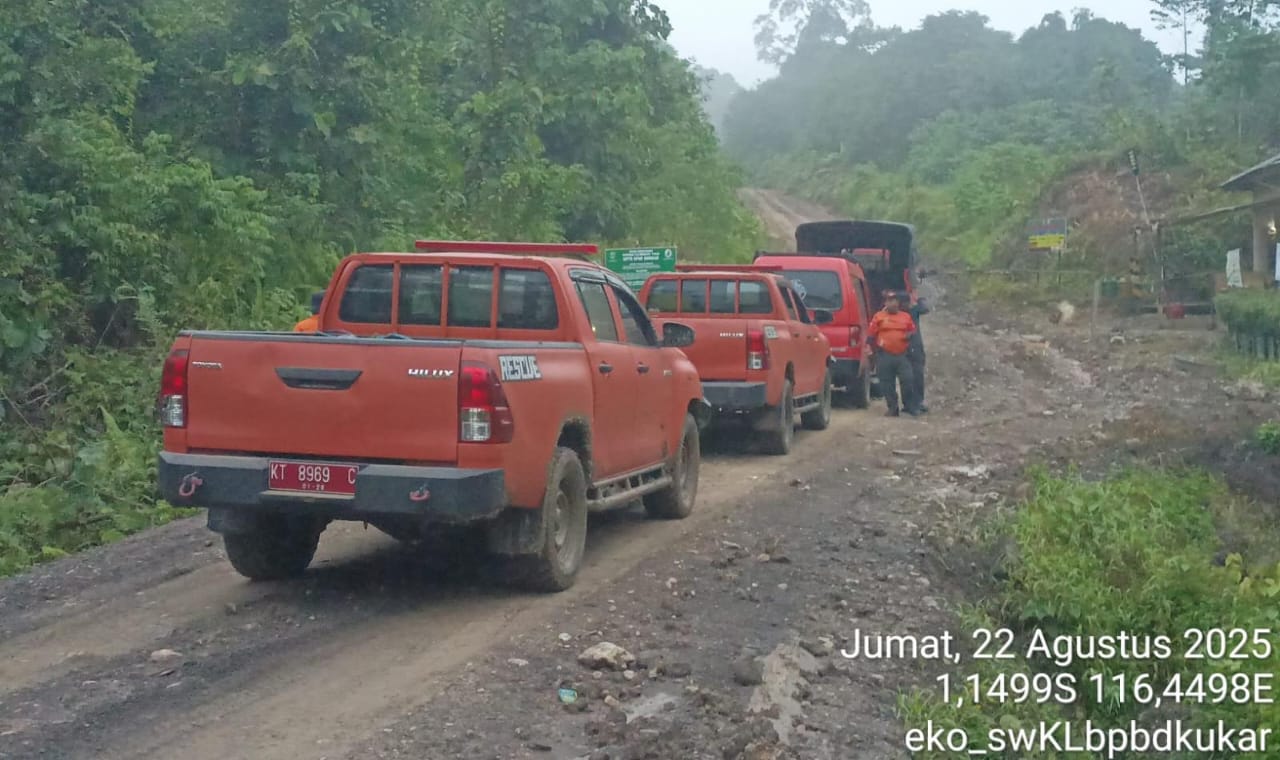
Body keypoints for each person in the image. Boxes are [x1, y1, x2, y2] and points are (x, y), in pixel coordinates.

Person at [867, 291, 920, 417]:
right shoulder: (878, 317)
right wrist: (869, 349)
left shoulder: (905, 317)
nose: (892, 303)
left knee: (908, 380)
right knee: (886, 384)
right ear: (885, 303)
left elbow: (913, 331)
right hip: (884, 355)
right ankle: (893, 408)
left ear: (898, 303)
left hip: (902, 355)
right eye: (889, 300)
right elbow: (870, 335)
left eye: (894, 300)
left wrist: (909, 335)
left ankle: (908, 406)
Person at [908, 293, 931, 413]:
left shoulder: (913, 307)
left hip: (914, 345)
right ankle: (912, 404)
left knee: (917, 374)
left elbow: (925, 308)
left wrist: (917, 300)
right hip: (906, 346)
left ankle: (917, 402)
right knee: (909, 376)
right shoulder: (892, 310)